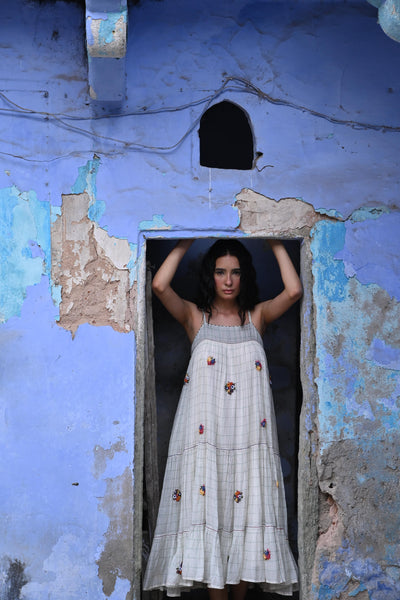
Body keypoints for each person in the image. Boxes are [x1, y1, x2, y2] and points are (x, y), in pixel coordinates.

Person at [143, 238, 302, 599]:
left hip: (249, 441)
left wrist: (276, 241)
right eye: (220, 272)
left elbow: (294, 290)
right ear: (210, 276)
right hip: (207, 440)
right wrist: (186, 236)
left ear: (244, 276)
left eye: (235, 272)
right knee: (212, 511)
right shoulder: (195, 317)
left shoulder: (256, 317)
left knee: (246, 519)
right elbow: (159, 285)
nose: (228, 280)